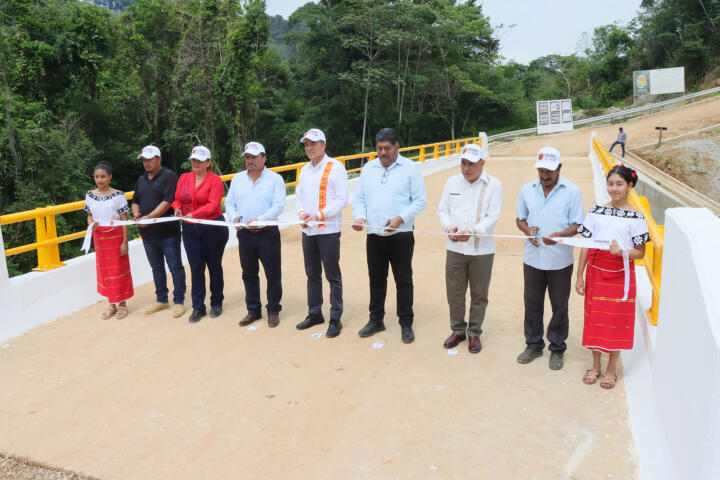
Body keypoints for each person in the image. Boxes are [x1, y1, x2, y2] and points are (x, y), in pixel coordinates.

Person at [575, 164, 649, 389]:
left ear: (629, 186)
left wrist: (622, 252)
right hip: (596, 274)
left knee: (616, 322)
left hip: (621, 277)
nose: (614, 188)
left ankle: (611, 369)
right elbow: (585, 246)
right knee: (595, 319)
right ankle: (595, 366)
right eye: (610, 184)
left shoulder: (636, 218)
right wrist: (580, 275)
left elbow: (641, 253)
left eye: (619, 184)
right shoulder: (597, 211)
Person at [352, 128, 427, 344]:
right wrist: (360, 218)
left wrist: (400, 218)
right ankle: (376, 320)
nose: (383, 153)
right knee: (376, 279)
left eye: (387, 148)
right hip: (374, 234)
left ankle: (406, 322)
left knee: (403, 280)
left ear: (397, 147)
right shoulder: (368, 168)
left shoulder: (410, 168)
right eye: (379, 149)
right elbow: (360, 199)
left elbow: (420, 200)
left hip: (401, 234)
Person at [515, 147, 584, 370]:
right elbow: (520, 219)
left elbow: (578, 224)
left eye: (550, 172)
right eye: (541, 171)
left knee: (559, 305)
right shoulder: (526, 190)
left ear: (560, 169)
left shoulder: (572, 191)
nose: (545, 176)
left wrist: (561, 236)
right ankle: (534, 345)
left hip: (560, 260)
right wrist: (527, 230)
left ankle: (557, 348)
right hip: (533, 258)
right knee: (532, 303)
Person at [437, 143, 503, 354]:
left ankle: (474, 332)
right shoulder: (451, 183)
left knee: (479, 293)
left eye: (471, 164)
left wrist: (473, 231)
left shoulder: (494, 185)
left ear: (482, 163)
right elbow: (442, 210)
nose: (466, 168)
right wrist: (449, 228)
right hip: (455, 247)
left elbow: (492, 217)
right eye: (463, 163)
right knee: (454, 292)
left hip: (481, 250)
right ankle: (457, 330)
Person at [294, 128, 349, 338]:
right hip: (308, 230)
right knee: (312, 273)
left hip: (328, 230)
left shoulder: (335, 167)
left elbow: (342, 199)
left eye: (313, 144)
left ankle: (336, 316)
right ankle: (315, 312)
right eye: (307, 144)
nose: (309, 148)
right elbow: (298, 197)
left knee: (332, 275)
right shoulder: (305, 170)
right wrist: (301, 213)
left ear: (323, 145)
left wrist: (320, 214)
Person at [225, 142, 286, 328]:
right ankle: (253, 310)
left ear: (264, 158)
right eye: (247, 157)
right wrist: (235, 217)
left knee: (272, 273)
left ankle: (273, 309)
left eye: (254, 157)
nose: (249, 160)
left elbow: (278, 206)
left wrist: (259, 219)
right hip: (245, 234)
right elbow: (229, 203)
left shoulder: (275, 179)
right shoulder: (237, 179)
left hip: (267, 233)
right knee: (249, 273)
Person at [172, 145, 229, 324]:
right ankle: (198, 307)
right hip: (190, 229)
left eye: (200, 160)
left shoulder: (215, 181)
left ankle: (216, 302)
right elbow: (177, 199)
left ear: (208, 163)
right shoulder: (184, 178)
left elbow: (214, 205)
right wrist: (177, 209)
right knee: (196, 268)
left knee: (214, 265)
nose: (195, 163)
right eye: (193, 160)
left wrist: (194, 215)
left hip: (212, 227)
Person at [131, 145, 186, 318]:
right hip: (148, 234)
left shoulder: (168, 176)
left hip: (168, 233)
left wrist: (149, 217)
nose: (146, 163)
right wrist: (137, 214)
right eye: (144, 160)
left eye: (149, 159)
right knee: (156, 268)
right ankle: (161, 299)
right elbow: (135, 200)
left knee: (175, 267)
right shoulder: (141, 179)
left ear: (159, 159)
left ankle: (178, 301)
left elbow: (168, 201)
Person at [84, 162, 134, 320]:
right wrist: (91, 223)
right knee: (105, 271)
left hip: (116, 237)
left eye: (103, 176)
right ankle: (111, 304)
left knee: (119, 270)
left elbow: (124, 218)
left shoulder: (118, 195)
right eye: (97, 176)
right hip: (100, 239)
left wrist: (125, 242)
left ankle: (123, 304)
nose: (100, 179)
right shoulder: (90, 195)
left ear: (110, 177)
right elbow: (89, 215)